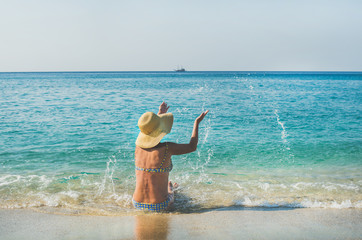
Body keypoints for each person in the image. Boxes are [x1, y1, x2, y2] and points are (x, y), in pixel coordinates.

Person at [132, 101, 209, 212]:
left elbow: (151, 130)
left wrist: (160, 114)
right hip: (159, 205)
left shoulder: (138, 148)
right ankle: (171, 189)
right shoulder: (167, 148)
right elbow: (192, 147)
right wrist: (196, 123)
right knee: (171, 191)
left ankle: (170, 187)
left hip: (136, 203)